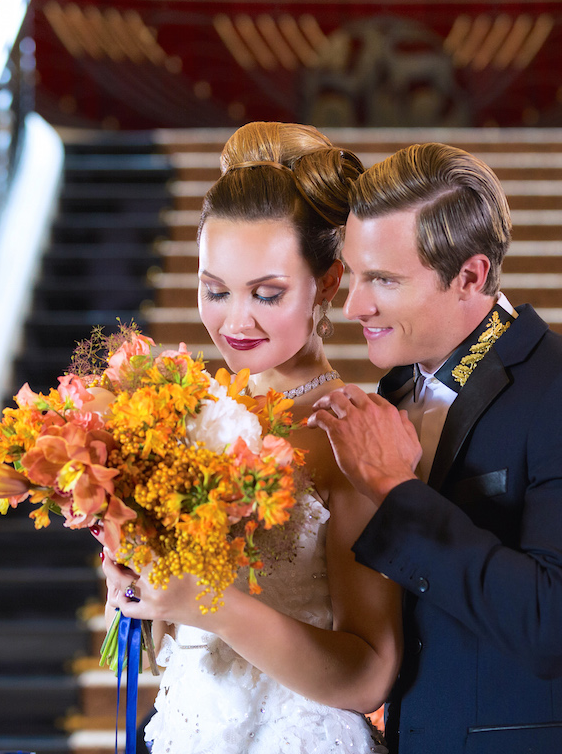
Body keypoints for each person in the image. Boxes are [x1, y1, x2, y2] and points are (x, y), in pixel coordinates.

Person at [309, 142, 562, 754]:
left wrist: (395, 489)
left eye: (383, 280)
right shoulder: (392, 393)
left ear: (469, 276)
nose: (353, 304)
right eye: (354, 273)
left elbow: (555, 626)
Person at [100, 122, 402, 753]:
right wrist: (132, 583)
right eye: (214, 290)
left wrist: (208, 604)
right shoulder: (185, 412)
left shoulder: (347, 430)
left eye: (266, 294)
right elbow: (167, 636)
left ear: (327, 282)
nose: (235, 321)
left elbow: (370, 673)